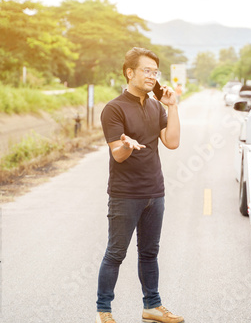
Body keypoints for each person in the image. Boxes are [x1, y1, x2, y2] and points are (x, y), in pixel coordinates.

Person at [96, 47, 183, 323]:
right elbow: (117, 155)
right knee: (116, 252)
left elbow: (172, 142)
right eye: (146, 70)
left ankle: (152, 306)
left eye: (155, 72)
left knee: (149, 252)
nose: (152, 76)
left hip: (154, 192)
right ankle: (104, 310)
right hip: (125, 194)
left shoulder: (157, 106)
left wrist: (173, 105)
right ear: (129, 72)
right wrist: (127, 145)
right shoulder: (114, 108)